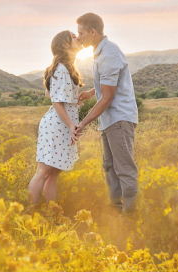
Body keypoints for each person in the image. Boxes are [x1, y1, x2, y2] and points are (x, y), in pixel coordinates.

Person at [75, 13, 139, 214]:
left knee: (123, 167)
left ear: (93, 32)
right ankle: (115, 210)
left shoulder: (109, 54)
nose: (79, 37)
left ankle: (130, 215)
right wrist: (92, 92)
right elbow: (107, 85)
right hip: (109, 120)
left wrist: (83, 123)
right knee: (109, 165)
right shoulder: (100, 53)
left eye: (81, 33)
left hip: (118, 118)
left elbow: (108, 98)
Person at [28, 30, 83, 207]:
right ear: (65, 44)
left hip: (61, 123)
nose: (78, 38)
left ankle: (51, 213)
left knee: (54, 173)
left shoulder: (66, 68)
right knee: (44, 171)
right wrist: (70, 124)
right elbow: (55, 99)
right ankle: (28, 213)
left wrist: (74, 101)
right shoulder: (61, 69)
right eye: (74, 37)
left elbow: (49, 92)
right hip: (58, 124)